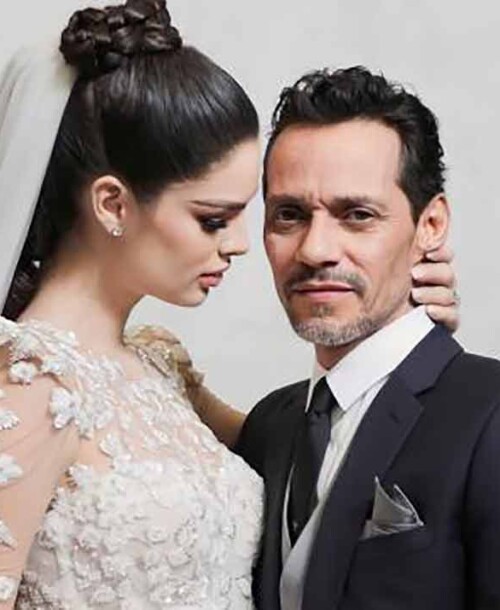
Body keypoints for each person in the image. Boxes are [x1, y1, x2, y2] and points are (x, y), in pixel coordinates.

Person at [0, 2, 457, 608]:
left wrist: (403, 327)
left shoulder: (161, 366)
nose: (241, 243)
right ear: (113, 204)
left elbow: (313, 451)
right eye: (213, 219)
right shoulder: (29, 385)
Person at [229, 66, 500, 610]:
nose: (315, 250)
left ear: (430, 226)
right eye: (289, 215)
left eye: (357, 215)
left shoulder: (490, 414)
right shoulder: (268, 426)